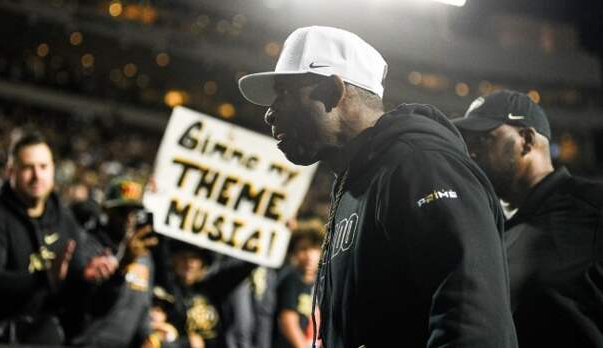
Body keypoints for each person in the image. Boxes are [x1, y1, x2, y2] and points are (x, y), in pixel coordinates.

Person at [238, 25, 517, 347]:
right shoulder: (355, 182)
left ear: (332, 91)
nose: (270, 114)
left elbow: (473, 320)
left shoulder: (421, 164)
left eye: (284, 93)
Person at [453, 89, 603, 347]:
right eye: (468, 142)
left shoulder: (592, 206)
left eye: (483, 140)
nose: (470, 153)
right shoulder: (486, 227)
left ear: (526, 140)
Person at [0, 130, 117, 344]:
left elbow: (72, 295)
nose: (37, 175)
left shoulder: (63, 217)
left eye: (43, 167)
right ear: (11, 171)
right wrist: (43, 278)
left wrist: (86, 275)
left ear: (53, 169)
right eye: (28, 167)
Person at [71, 177, 160, 347]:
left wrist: (147, 336)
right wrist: (123, 264)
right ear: (106, 211)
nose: (128, 219)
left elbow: (142, 305)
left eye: (134, 213)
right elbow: (91, 305)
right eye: (122, 211)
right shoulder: (87, 245)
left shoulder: (144, 256)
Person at [168, 242, 256, 348]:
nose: (188, 263)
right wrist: (185, 342)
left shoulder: (212, 287)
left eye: (194, 258)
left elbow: (240, 268)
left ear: (202, 263)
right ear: (174, 260)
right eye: (183, 258)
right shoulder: (167, 290)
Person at [273, 221, 323, 348]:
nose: (309, 255)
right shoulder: (291, 279)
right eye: (303, 249)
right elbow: (288, 321)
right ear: (294, 253)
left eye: (314, 249)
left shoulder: (321, 283)